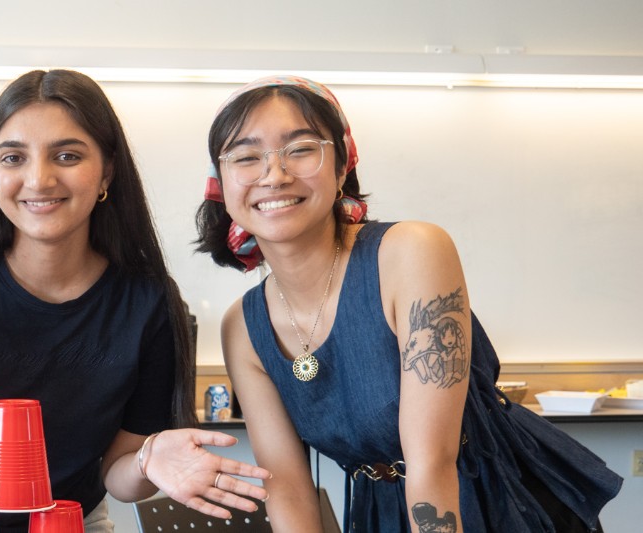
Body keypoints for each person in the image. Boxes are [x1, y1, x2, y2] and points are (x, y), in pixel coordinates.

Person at [196, 75, 622, 532]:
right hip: (379, 513)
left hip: (493, 499)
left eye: (300, 149)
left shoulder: (411, 251)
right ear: (222, 184)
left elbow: (432, 464)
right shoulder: (243, 326)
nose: (274, 174)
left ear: (341, 167)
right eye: (246, 157)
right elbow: (287, 487)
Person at [0, 69, 271, 533]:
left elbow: (118, 474)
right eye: (13, 157)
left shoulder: (146, 302)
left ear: (107, 172)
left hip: (64, 521)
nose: (38, 178)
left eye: (68, 155)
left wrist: (147, 461)